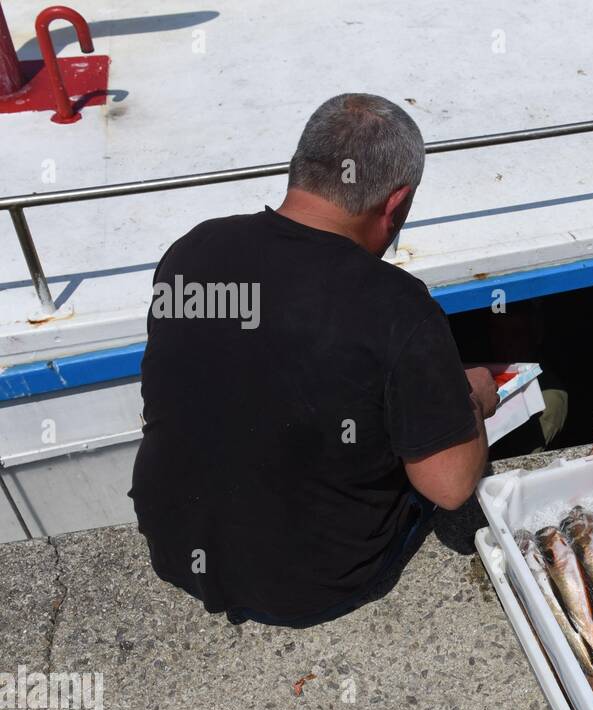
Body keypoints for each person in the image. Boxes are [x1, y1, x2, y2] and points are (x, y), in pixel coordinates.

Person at [131, 93, 499, 628]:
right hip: (314, 585)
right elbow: (450, 486)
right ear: (395, 205)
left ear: (301, 168)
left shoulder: (194, 248)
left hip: (174, 548)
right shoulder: (397, 305)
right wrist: (471, 402)